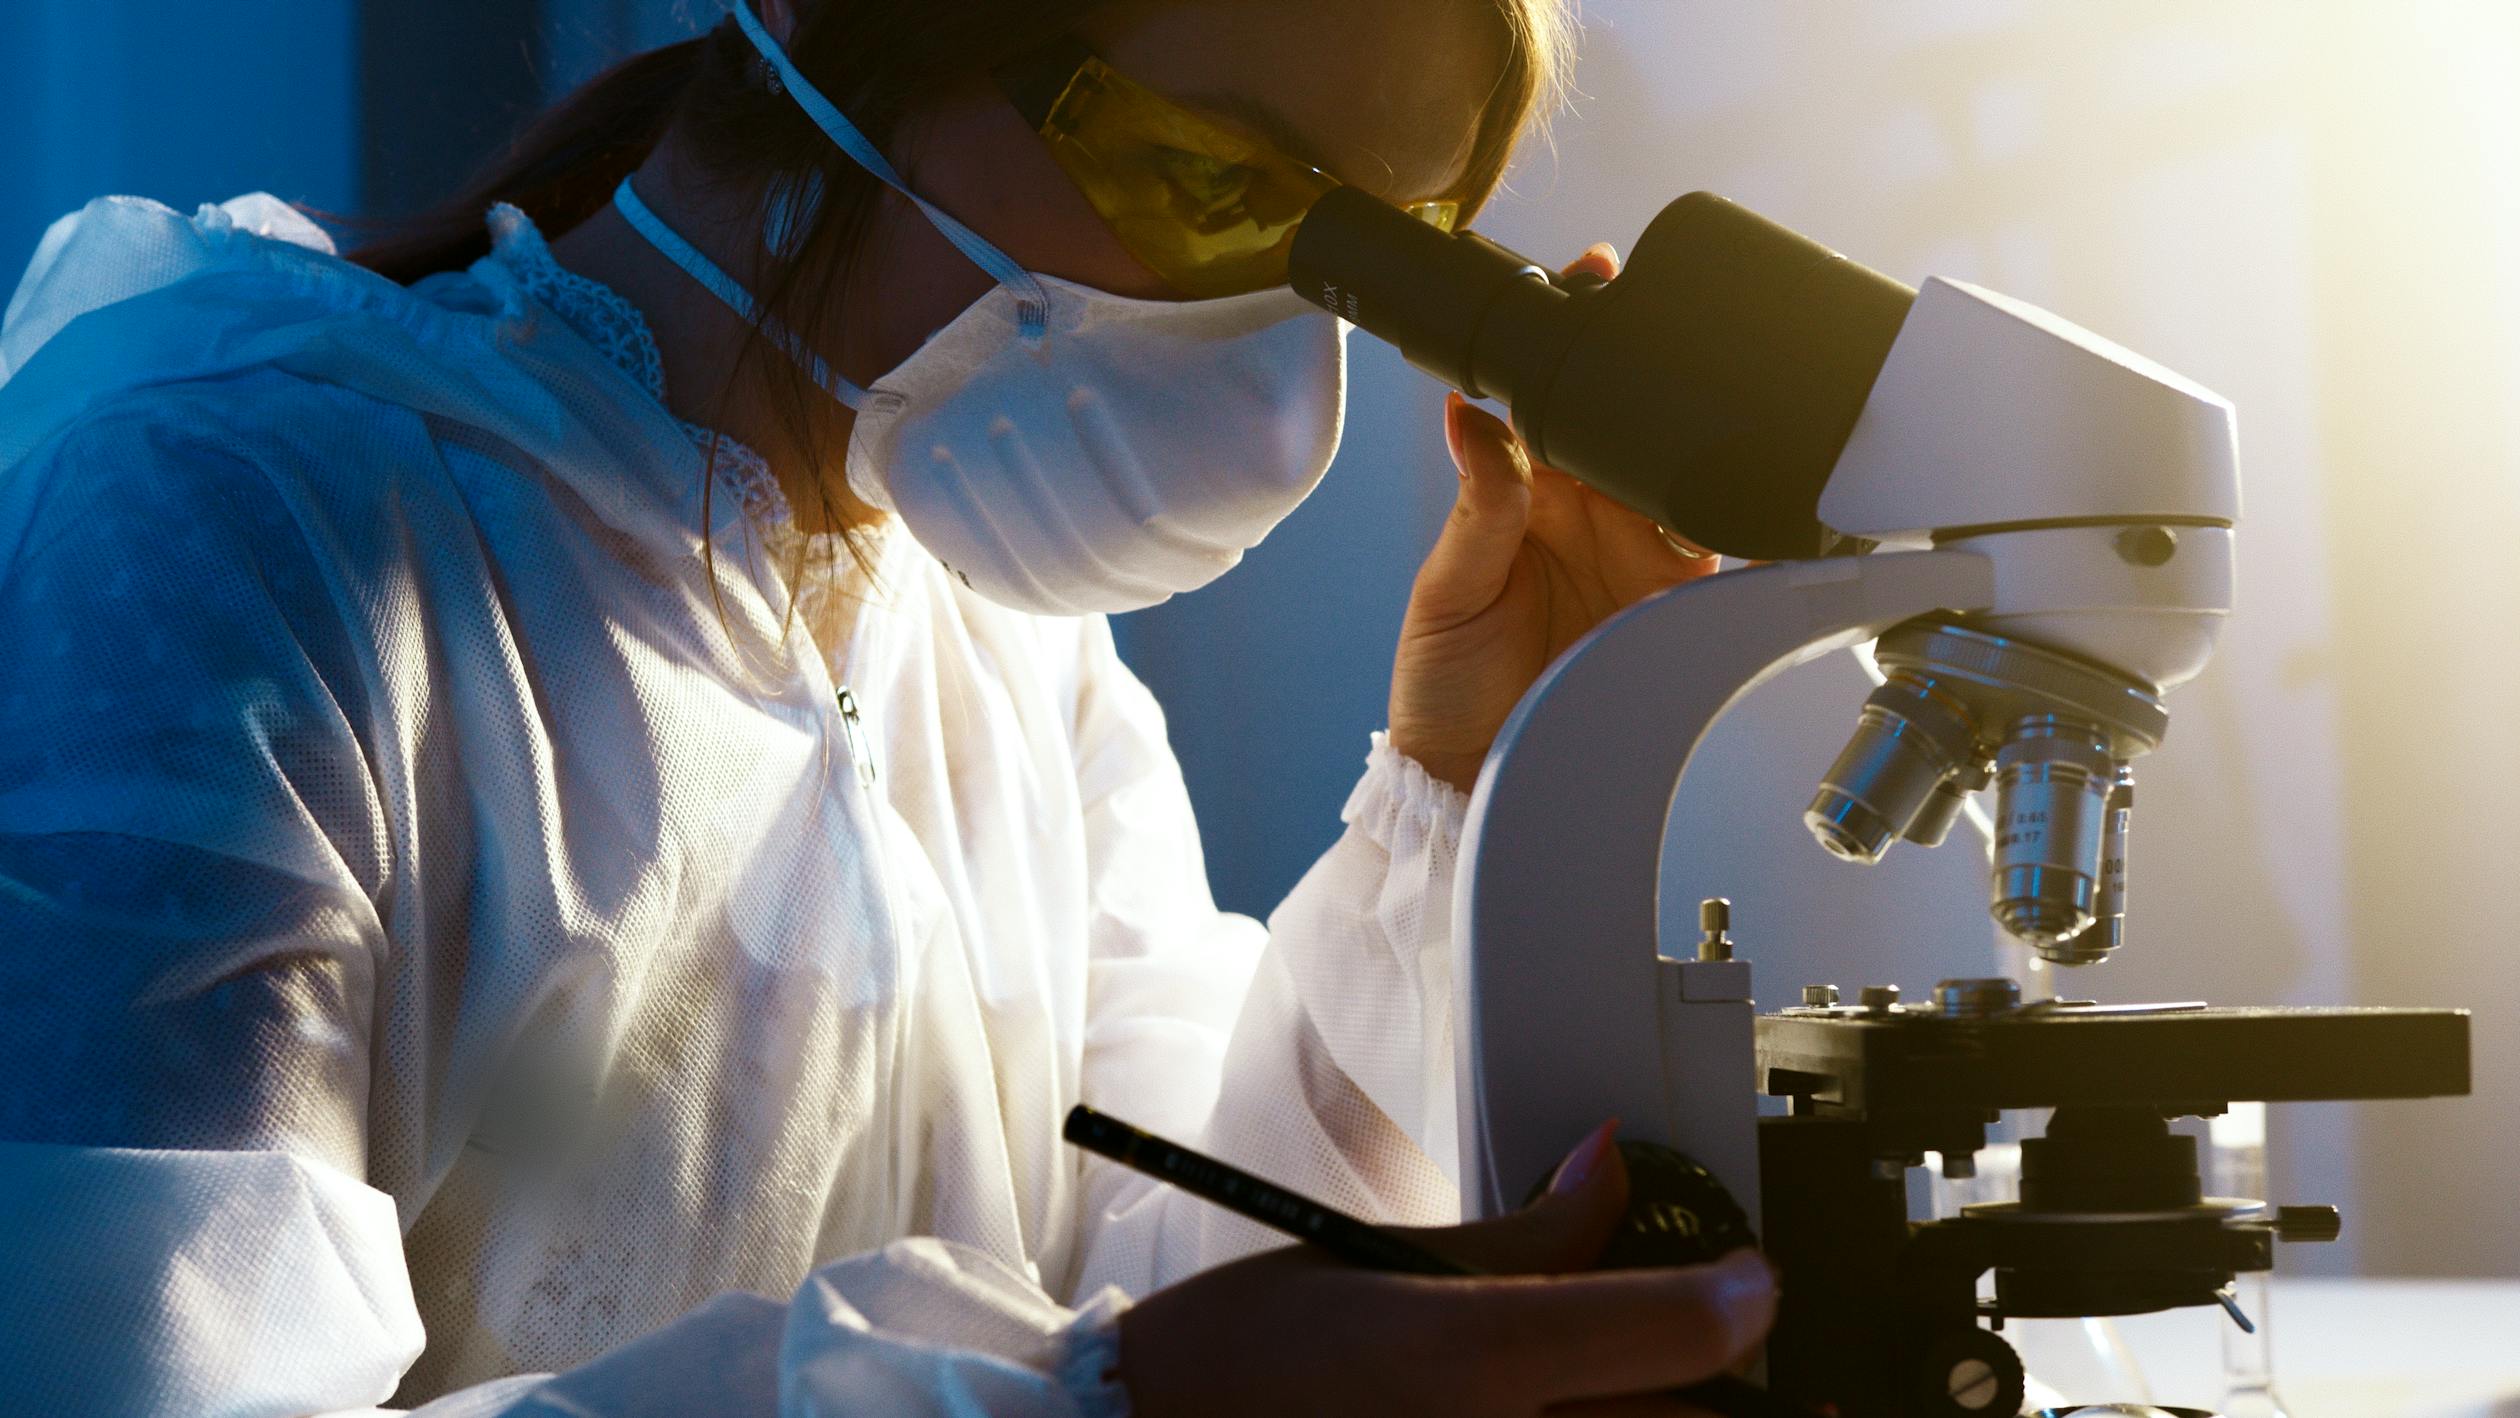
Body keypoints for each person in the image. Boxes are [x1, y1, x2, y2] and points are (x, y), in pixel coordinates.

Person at [0, 0, 1770, 1412]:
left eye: (1378, 267)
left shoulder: (1002, 639)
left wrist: (1453, 787)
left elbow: (1205, 1278)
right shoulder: (229, 532)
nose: (1277, 362)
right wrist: (1082, 1399)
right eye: (1226, 182)